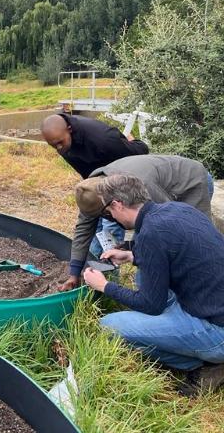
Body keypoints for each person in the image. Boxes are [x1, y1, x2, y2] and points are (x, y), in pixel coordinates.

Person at [82, 173, 224, 395]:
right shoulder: (177, 209)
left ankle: (205, 364)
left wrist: (103, 286)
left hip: (216, 329)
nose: (111, 216)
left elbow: (151, 304)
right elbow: (174, 252)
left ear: (117, 204)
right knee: (143, 276)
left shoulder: (150, 232)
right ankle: (182, 338)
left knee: (108, 325)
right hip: (210, 300)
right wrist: (132, 256)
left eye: (108, 211)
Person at [59, 154, 214, 291]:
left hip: (190, 181)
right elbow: (82, 233)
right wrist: (74, 274)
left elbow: (168, 221)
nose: (108, 218)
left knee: (192, 238)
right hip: (158, 185)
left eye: (107, 214)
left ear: (113, 202)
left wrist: (137, 249)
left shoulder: (141, 185)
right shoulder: (88, 192)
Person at [41, 113, 149, 259]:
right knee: (93, 226)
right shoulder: (61, 142)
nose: (58, 148)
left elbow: (140, 153)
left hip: (118, 186)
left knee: (110, 226)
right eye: (53, 146)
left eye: (60, 143)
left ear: (70, 129)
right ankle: (94, 266)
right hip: (97, 182)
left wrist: (134, 142)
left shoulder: (103, 140)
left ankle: (109, 270)